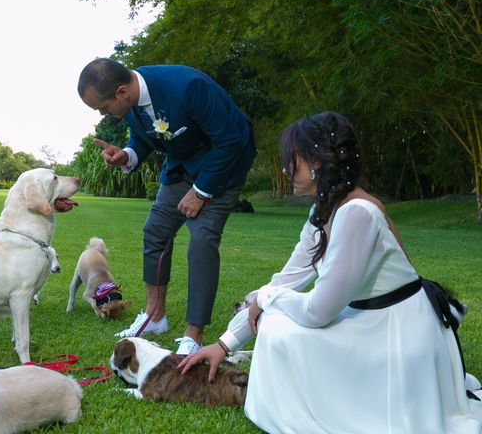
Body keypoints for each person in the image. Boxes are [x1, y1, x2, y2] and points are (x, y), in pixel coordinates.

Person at [178, 111, 482, 433]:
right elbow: (288, 277)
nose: (285, 169)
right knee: (274, 320)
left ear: (318, 160)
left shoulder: (357, 212)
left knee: (278, 324)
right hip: (370, 321)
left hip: (397, 333)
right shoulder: (325, 208)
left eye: (292, 159)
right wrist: (225, 343)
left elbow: (319, 311)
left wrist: (267, 298)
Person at [77, 58, 256, 354]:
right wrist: (128, 155)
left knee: (201, 240)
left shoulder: (188, 87)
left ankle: (193, 334)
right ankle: (154, 317)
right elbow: (144, 137)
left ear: (122, 91)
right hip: (182, 167)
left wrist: (201, 192)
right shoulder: (132, 104)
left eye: (103, 107)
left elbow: (231, 141)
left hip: (223, 166)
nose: (102, 113)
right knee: (156, 231)